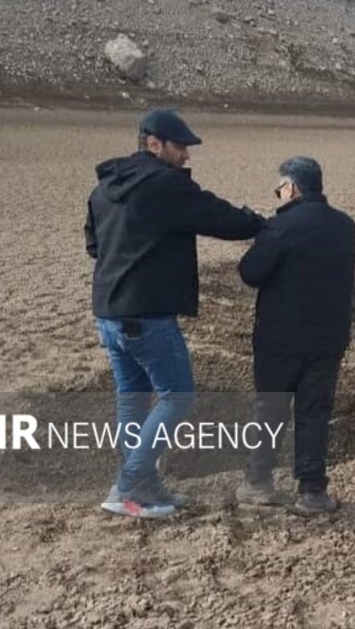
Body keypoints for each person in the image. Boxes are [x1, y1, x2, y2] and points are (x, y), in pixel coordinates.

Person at [85, 108, 263, 519]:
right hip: (145, 315)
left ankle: (143, 485)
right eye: (180, 146)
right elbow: (217, 216)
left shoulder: (103, 188)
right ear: (153, 143)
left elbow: (94, 245)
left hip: (108, 312)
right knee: (177, 395)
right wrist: (259, 224)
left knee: (132, 398)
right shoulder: (162, 185)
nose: (186, 155)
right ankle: (127, 486)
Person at [235, 156, 355, 516]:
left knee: (270, 409)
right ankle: (312, 490)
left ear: (291, 187)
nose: (278, 195)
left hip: (280, 340)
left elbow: (251, 272)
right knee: (315, 413)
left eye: (279, 188)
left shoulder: (281, 226)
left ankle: (258, 482)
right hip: (328, 339)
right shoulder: (345, 226)